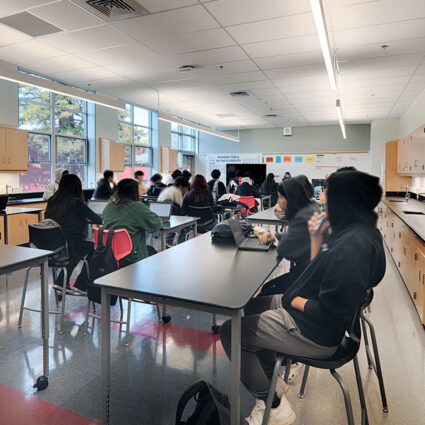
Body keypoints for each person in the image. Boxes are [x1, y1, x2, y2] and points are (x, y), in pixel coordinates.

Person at [220, 170, 386, 425]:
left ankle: (272, 405)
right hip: (310, 311)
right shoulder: (355, 230)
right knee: (252, 306)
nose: (321, 194)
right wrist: (317, 237)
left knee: (230, 332)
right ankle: (274, 384)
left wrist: (293, 301)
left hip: (315, 331)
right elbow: (318, 272)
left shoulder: (352, 247)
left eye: (328, 190)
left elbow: (329, 312)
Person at [258, 175, 319, 296]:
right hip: (310, 272)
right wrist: (275, 236)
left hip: (306, 278)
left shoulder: (303, 217)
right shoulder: (310, 208)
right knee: (266, 287)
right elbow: (292, 236)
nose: (278, 201)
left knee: (265, 291)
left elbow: (284, 250)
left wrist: (279, 239)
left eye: (281, 197)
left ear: (292, 198)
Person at [45, 174, 102, 292]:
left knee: (77, 249)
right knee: (96, 248)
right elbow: (97, 220)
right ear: (77, 188)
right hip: (69, 245)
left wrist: (81, 218)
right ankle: (81, 284)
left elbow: (59, 219)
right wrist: (85, 219)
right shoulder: (76, 202)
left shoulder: (52, 200)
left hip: (53, 246)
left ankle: (61, 282)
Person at [103, 179, 163, 265]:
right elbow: (157, 225)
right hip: (131, 256)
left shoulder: (109, 206)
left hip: (110, 254)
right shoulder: (137, 207)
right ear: (134, 192)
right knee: (152, 251)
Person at [157, 176, 190, 244]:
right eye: (186, 188)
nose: (186, 190)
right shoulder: (177, 191)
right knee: (187, 225)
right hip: (169, 217)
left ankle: (169, 243)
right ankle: (181, 244)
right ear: (181, 186)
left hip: (160, 216)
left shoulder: (168, 189)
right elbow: (181, 207)